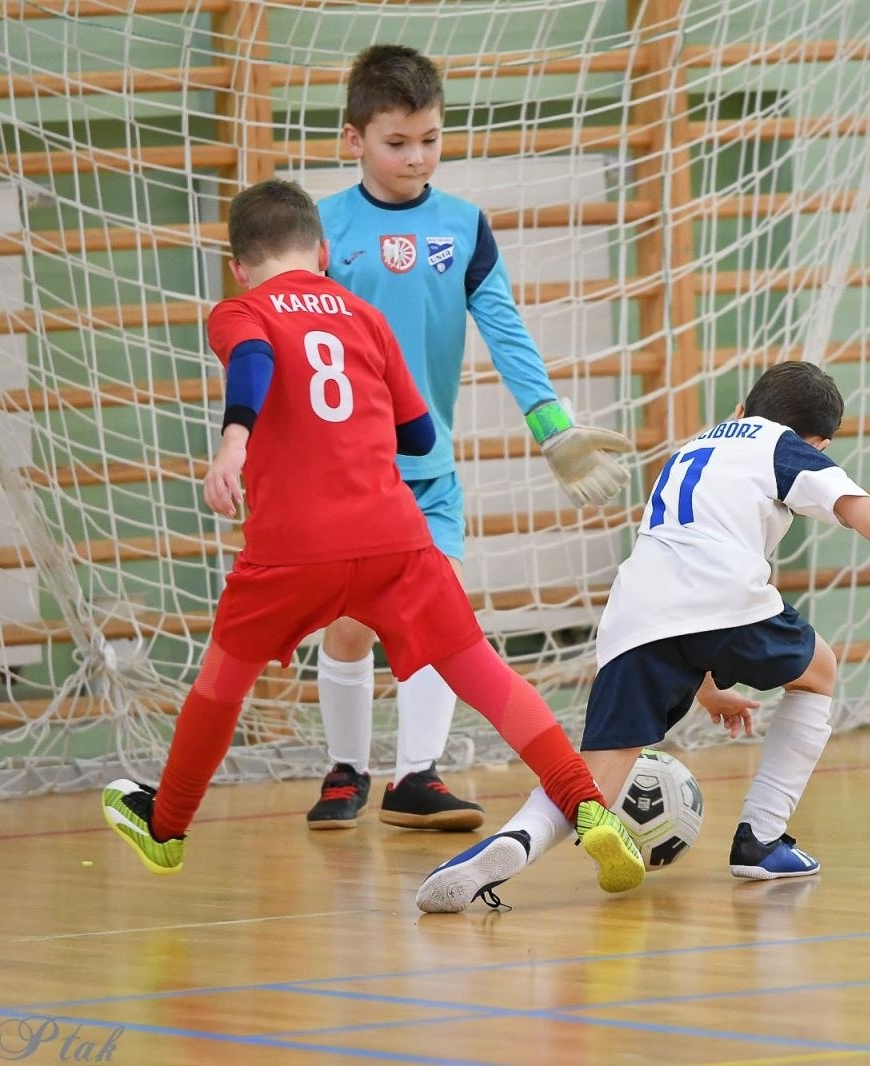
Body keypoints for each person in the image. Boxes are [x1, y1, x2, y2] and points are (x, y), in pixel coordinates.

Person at [99, 178, 643, 899]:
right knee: (486, 675)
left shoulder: (240, 310)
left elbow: (255, 361)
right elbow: (417, 432)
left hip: (289, 547)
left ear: (237, 265)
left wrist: (236, 442)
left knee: (222, 683)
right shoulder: (362, 314)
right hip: (394, 535)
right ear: (323, 252)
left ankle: (167, 828)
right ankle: (590, 807)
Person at [414, 361, 870, 912]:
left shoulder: (692, 447)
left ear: (739, 409)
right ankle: (761, 836)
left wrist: (705, 688)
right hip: (723, 598)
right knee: (821, 668)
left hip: (635, 612)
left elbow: (681, 592)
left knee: (593, 781)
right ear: (819, 444)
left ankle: (512, 842)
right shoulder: (783, 447)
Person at [305, 43, 633, 832]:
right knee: (348, 623)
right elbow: (288, 345)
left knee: (435, 613)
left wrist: (551, 423)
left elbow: (506, 330)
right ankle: (347, 769)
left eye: (430, 139)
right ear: (354, 140)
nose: (416, 157)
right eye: (396, 142)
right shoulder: (321, 230)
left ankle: (415, 776)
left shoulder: (464, 227)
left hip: (428, 467)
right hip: (344, 472)